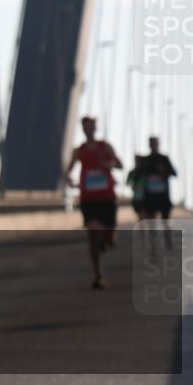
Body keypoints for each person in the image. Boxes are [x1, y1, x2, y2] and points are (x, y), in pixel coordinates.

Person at [64, 116, 122, 289]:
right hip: (88, 198)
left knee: (109, 236)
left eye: (91, 127)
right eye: (86, 127)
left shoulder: (106, 146)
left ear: (95, 128)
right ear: (83, 129)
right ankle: (98, 275)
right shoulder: (79, 150)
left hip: (107, 197)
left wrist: (108, 164)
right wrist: (69, 180)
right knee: (92, 235)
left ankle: (106, 240)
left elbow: (119, 165)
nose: (89, 130)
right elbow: (69, 170)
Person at [138, 136, 178, 249]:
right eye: (152, 143)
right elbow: (138, 174)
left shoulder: (164, 159)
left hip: (163, 196)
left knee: (166, 220)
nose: (153, 145)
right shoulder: (145, 160)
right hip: (150, 197)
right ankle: (153, 244)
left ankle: (168, 241)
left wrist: (163, 171)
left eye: (155, 143)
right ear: (149, 145)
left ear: (158, 144)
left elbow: (174, 173)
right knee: (151, 221)